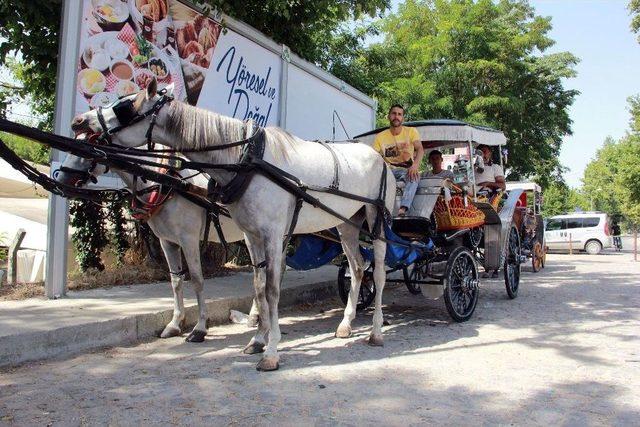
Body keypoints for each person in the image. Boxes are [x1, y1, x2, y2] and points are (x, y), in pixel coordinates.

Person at [373, 104, 425, 216]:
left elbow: (420, 149)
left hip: (406, 170)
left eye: (399, 114)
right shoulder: (380, 137)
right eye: (394, 113)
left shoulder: (411, 131)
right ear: (388, 116)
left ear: (403, 118)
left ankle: (403, 208)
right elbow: (374, 156)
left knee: (414, 176)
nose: (396, 116)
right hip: (387, 171)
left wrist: (415, 165)